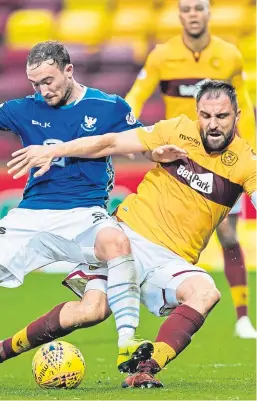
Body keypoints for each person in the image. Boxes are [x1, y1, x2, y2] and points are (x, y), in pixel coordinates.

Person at [4, 80, 256, 388]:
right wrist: (57, 149)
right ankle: (3, 350)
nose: (213, 124)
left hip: (171, 260)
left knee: (206, 292)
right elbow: (110, 142)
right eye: (206, 115)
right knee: (91, 311)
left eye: (222, 116)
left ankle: (145, 367)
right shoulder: (176, 130)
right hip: (126, 238)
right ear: (196, 114)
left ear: (237, 115)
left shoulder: (246, 162)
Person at [0, 39, 162, 373]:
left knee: (116, 242)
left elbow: (142, 144)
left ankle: (126, 343)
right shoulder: (23, 110)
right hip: (29, 215)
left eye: (49, 81)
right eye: (35, 84)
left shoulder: (109, 107)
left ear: (68, 70)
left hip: (82, 213)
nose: (43, 90)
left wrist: (160, 152)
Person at [125, 0, 257, 338]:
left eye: (198, 8)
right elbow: (136, 96)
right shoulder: (161, 56)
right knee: (163, 229)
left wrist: (253, 151)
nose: (192, 14)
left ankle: (242, 316)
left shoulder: (229, 55)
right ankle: (157, 291)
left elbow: (243, 100)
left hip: (222, 160)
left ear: (208, 12)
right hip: (178, 158)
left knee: (228, 235)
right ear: (180, 15)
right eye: (186, 9)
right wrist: (130, 131)